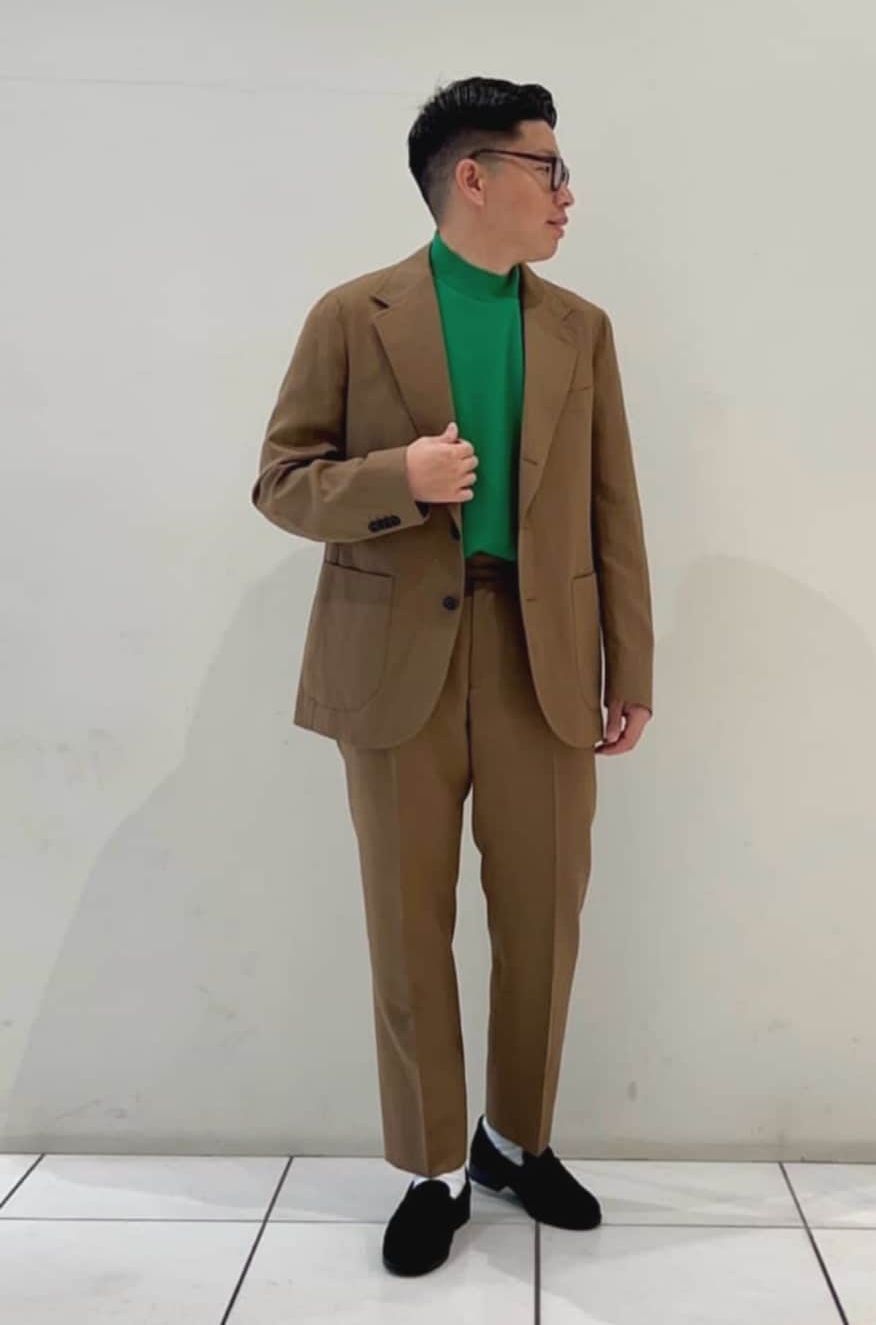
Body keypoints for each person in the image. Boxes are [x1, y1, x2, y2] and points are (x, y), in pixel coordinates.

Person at [251, 75, 653, 1276]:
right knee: (407, 923)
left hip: (544, 659)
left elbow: (613, 505)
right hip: (394, 663)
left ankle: (513, 1141)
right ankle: (431, 1166)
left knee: (543, 918)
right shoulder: (351, 313)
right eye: (547, 168)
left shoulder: (580, 328)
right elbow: (281, 482)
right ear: (471, 177)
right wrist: (399, 479)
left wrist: (629, 662)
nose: (567, 193)